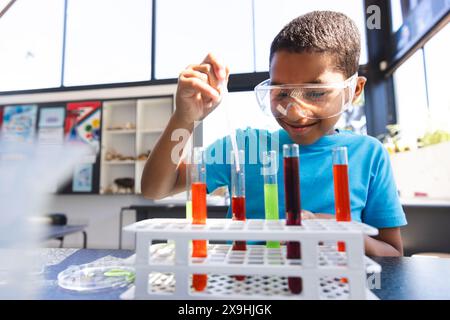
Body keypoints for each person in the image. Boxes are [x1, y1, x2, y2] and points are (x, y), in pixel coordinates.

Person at [141, 11, 407, 257]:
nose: (294, 113)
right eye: (280, 93)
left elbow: (393, 251)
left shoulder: (369, 155)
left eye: (315, 92)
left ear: (354, 90)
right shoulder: (245, 146)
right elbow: (156, 188)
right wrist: (184, 117)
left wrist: (344, 236)